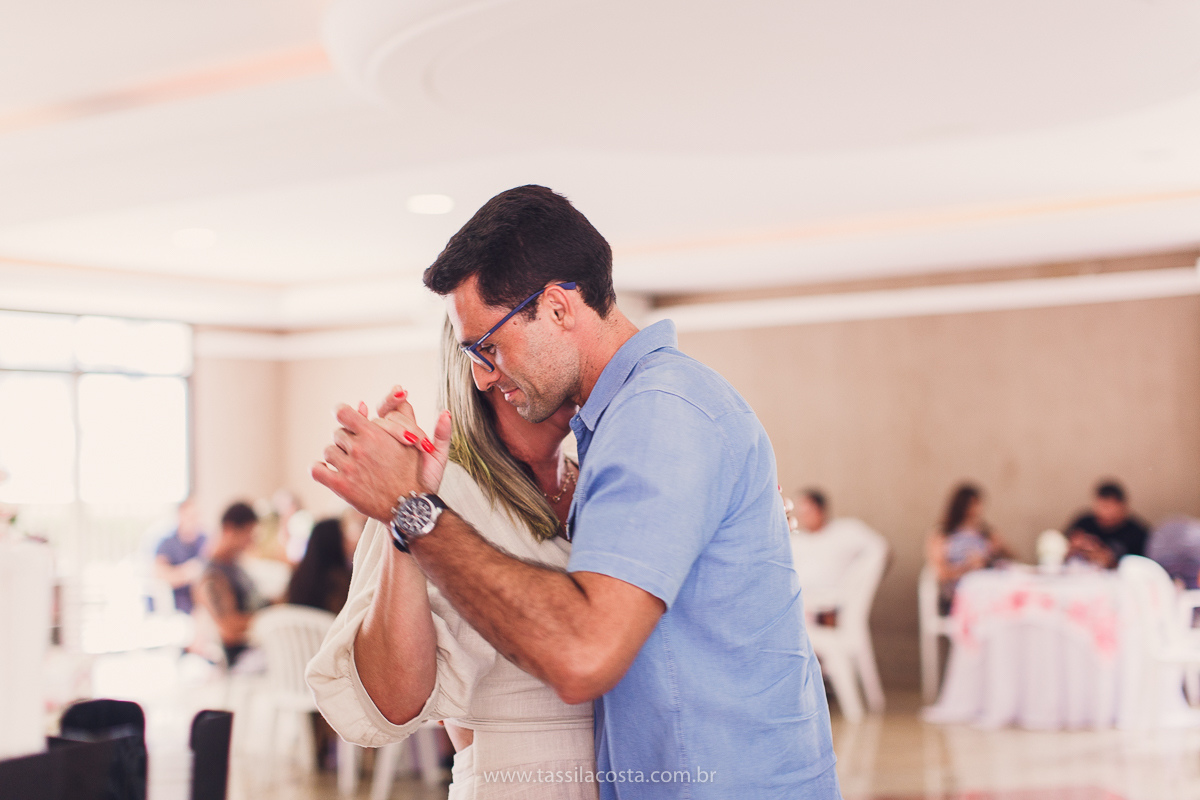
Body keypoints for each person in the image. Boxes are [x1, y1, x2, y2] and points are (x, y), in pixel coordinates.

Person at [311, 185, 840, 798]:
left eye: (489, 346)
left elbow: (586, 652)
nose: (481, 374)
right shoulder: (625, 426)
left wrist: (415, 513)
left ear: (559, 308)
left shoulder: (655, 414)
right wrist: (406, 514)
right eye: (471, 354)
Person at [309, 322, 596, 797]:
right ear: (483, 363)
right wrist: (404, 507)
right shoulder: (439, 488)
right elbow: (392, 703)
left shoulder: (600, 483)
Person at [789, 488, 886, 627]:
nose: (803, 516)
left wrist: (862, 577)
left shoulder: (846, 531)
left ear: (821, 510)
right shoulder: (795, 540)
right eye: (800, 512)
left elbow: (881, 549)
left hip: (830, 606)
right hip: (799, 602)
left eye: (807, 511)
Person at [196, 502, 267, 667]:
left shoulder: (234, 565)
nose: (251, 541)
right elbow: (228, 628)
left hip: (259, 645)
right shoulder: (212, 576)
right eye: (248, 533)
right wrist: (270, 617)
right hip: (243, 658)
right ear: (229, 529)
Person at [928, 483, 1010, 614]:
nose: (977, 509)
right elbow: (941, 573)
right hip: (959, 594)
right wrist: (969, 567)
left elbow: (1009, 557)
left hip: (988, 589)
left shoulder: (985, 533)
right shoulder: (943, 534)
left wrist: (995, 550)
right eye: (973, 504)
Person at [1064, 480, 1150, 569]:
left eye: (1110, 508)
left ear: (1124, 508)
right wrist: (1073, 548)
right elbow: (1062, 550)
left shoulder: (1137, 533)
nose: (1106, 514)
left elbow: (1144, 567)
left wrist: (1111, 562)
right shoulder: (1083, 524)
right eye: (1103, 507)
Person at [286, 518, 353, 614]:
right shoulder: (343, 582)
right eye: (345, 537)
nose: (349, 542)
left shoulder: (299, 577)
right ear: (334, 541)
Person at [153, 499, 207, 614]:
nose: (192, 521)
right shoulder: (167, 544)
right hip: (177, 608)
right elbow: (160, 575)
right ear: (180, 516)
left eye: (195, 516)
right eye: (189, 516)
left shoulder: (206, 542)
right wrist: (186, 573)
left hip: (202, 607)